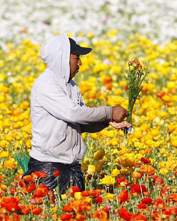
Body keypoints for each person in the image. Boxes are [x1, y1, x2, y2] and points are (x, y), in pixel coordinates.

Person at [23, 33, 130, 195]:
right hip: (49, 167)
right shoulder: (47, 85)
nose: (80, 63)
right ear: (62, 58)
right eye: (76, 58)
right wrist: (109, 112)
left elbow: (80, 121)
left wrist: (106, 122)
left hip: (71, 165)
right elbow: (74, 113)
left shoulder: (70, 85)